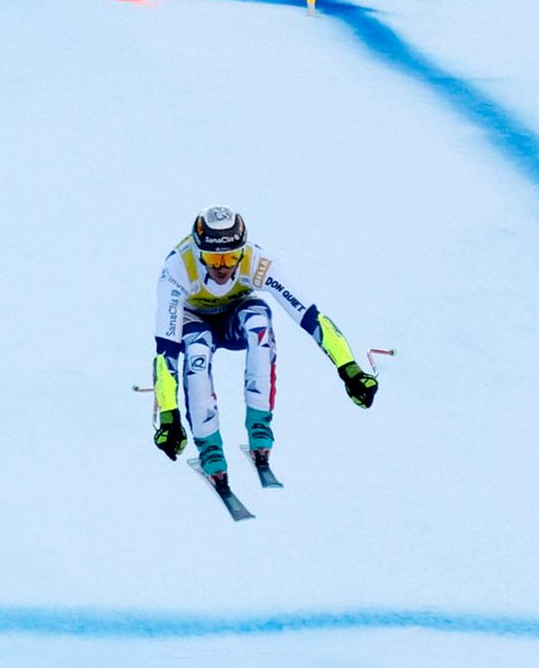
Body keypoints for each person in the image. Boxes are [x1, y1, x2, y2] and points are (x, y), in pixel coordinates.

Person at [150, 205, 378, 485]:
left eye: (231, 257)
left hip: (236, 316)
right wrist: (169, 415)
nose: (222, 267)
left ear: (243, 251)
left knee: (259, 322)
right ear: (198, 253)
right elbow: (166, 351)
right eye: (212, 258)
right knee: (197, 349)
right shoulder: (177, 268)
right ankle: (210, 448)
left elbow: (309, 316)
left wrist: (349, 368)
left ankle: (259, 428)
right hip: (194, 320)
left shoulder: (257, 262)